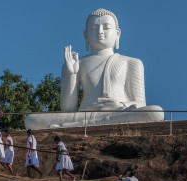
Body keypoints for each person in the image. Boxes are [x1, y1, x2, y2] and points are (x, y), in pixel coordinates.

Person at [25, 8, 163, 129]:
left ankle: (91, 123)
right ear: (86, 35)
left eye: (106, 27)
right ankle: (98, 122)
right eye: (94, 28)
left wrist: (117, 105)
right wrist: (72, 73)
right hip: (85, 115)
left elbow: (140, 103)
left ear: (118, 33)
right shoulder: (76, 63)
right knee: (31, 120)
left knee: (155, 112)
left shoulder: (131, 62)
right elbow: (68, 109)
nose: (100, 32)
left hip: (119, 111)